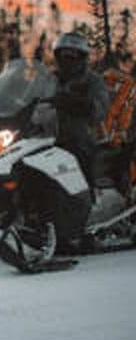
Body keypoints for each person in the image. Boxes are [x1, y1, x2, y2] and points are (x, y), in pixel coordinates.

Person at [51, 31, 110, 208]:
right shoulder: (49, 79)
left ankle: (88, 202)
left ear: (82, 57)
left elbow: (100, 109)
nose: (67, 60)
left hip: (80, 135)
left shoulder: (92, 80)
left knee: (78, 151)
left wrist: (78, 103)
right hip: (46, 134)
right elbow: (29, 95)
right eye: (63, 55)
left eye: (72, 55)